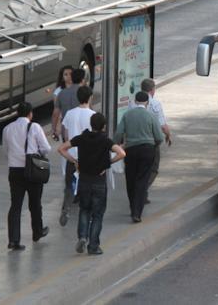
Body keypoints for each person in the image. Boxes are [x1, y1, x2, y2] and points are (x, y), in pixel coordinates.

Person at [58, 113, 125, 255]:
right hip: (99, 182)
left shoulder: (82, 138)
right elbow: (121, 153)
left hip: (84, 181)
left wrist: (74, 161)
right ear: (104, 126)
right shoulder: (105, 140)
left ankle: (82, 237)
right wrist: (107, 164)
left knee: (84, 210)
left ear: (91, 124)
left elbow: (61, 149)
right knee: (98, 214)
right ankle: (93, 246)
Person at [3, 103, 51, 250]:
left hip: (15, 170)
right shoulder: (35, 127)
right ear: (30, 114)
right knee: (35, 203)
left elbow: (6, 150)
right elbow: (46, 148)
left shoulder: (7, 128)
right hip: (32, 170)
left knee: (15, 206)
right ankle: (37, 231)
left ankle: (14, 240)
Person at [113, 92, 164, 223]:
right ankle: (137, 212)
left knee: (130, 179)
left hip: (131, 150)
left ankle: (132, 207)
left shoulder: (127, 115)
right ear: (147, 102)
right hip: (147, 150)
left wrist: (117, 144)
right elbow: (159, 137)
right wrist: (154, 145)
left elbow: (119, 133)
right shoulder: (151, 116)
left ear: (135, 101)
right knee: (142, 180)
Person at [58, 86, 96, 226]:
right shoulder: (93, 115)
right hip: (87, 158)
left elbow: (66, 135)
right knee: (87, 186)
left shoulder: (69, 114)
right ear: (90, 97)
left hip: (72, 156)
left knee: (69, 184)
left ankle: (66, 208)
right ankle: (86, 213)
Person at [140, 79, 171, 197]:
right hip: (151, 142)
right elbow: (162, 125)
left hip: (135, 141)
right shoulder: (155, 104)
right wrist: (168, 135)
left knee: (139, 168)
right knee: (153, 168)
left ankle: (140, 189)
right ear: (152, 90)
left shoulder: (133, 103)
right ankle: (142, 189)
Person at [50, 65, 74, 141]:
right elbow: (56, 112)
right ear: (62, 77)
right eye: (66, 74)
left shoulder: (79, 88)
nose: (69, 76)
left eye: (70, 74)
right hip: (65, 123)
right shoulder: (58, 92)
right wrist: (54, 129)